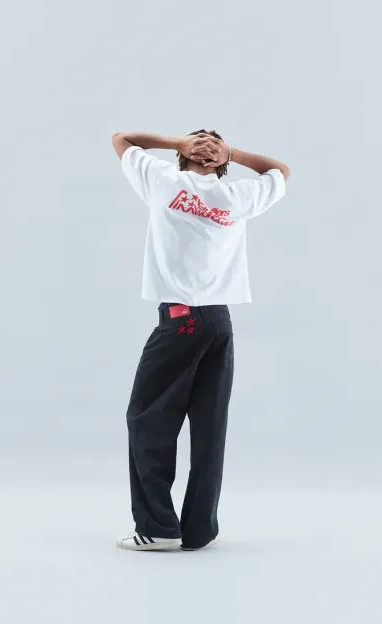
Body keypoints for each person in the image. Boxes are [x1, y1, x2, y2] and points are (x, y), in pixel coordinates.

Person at [111, 129, 290, 551]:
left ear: (184, 157)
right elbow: (280, 170)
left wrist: (179, 143)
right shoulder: (237, 196)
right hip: (219, 324)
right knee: (210, 425)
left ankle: (158, 528)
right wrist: (230, 153)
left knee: (147, 418)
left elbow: (121, 139)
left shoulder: (163, 181)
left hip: (181, 321)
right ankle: (199, 530)